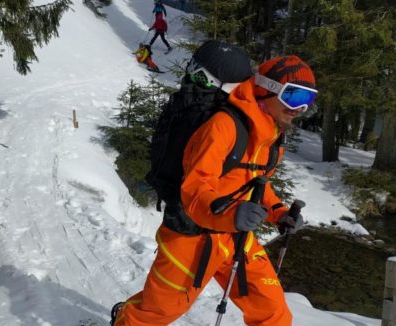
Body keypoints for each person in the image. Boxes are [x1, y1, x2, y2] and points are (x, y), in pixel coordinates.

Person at [111, 53, 316, 326]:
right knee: (158, 312)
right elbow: (194, 189)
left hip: (235, 237)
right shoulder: (223, 126)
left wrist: (278, 212)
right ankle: (124, 318)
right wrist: (232, 214)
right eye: (293, 97)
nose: (299, 108)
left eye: (308, 100)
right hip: (191, 235)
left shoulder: (271, 135)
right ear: (267, 88)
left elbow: (257, 184)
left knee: (273, 313)